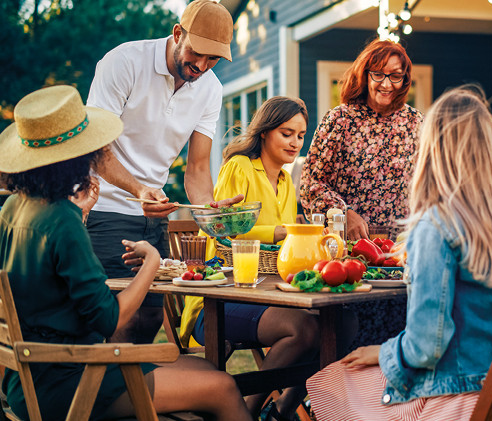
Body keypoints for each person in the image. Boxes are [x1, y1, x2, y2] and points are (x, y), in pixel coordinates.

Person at [0, 85, 250, 421]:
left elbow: (46, 281)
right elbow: (109, 319)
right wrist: (151, 263)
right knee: (223, 387)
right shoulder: (61, 220)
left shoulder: (15, 207)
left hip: (28, 381)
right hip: (73, 383)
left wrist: (81, 215)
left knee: (199, 367)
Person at [306, 87, 492, 420]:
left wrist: (385, 353)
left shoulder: (437, 222)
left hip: (463, 397)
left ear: (432, 148)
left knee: (331, 382)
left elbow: (426, 347)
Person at [85, 0, 240, 344]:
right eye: (196, 53)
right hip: (106, 210)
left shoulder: (211, 89)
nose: (201, 65)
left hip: (154, 217)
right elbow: (96, 149)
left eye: (212, 58)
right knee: (118, 317)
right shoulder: (124, 62)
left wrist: (209, 210)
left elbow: (198, 168)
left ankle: (133, 395)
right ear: (177, 33)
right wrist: (139, 189)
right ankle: (104, 395)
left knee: (151, 315)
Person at [179, 97, 320, 421]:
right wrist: (280, 231)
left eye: (300, 135)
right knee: (303, 331)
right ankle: (243, 414)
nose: (295, 142)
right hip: (217, 300)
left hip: (266, 295)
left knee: (337, 325)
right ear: (266, 131)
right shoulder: (239, 166)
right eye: (287, 133)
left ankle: (279, 413)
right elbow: (222, 229)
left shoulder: (286, 182)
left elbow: (283, 254)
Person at [299, 39, 423, 349]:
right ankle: (336, 395)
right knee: (352, 336)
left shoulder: (415, 123)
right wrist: (343, 212)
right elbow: (311, 182)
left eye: (395, 75)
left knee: (399, 331)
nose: (386, 83)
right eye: (378, 74)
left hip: (399, 251)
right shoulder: (339, 119)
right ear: (364, 74)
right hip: (349, 251)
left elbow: (429, 183)